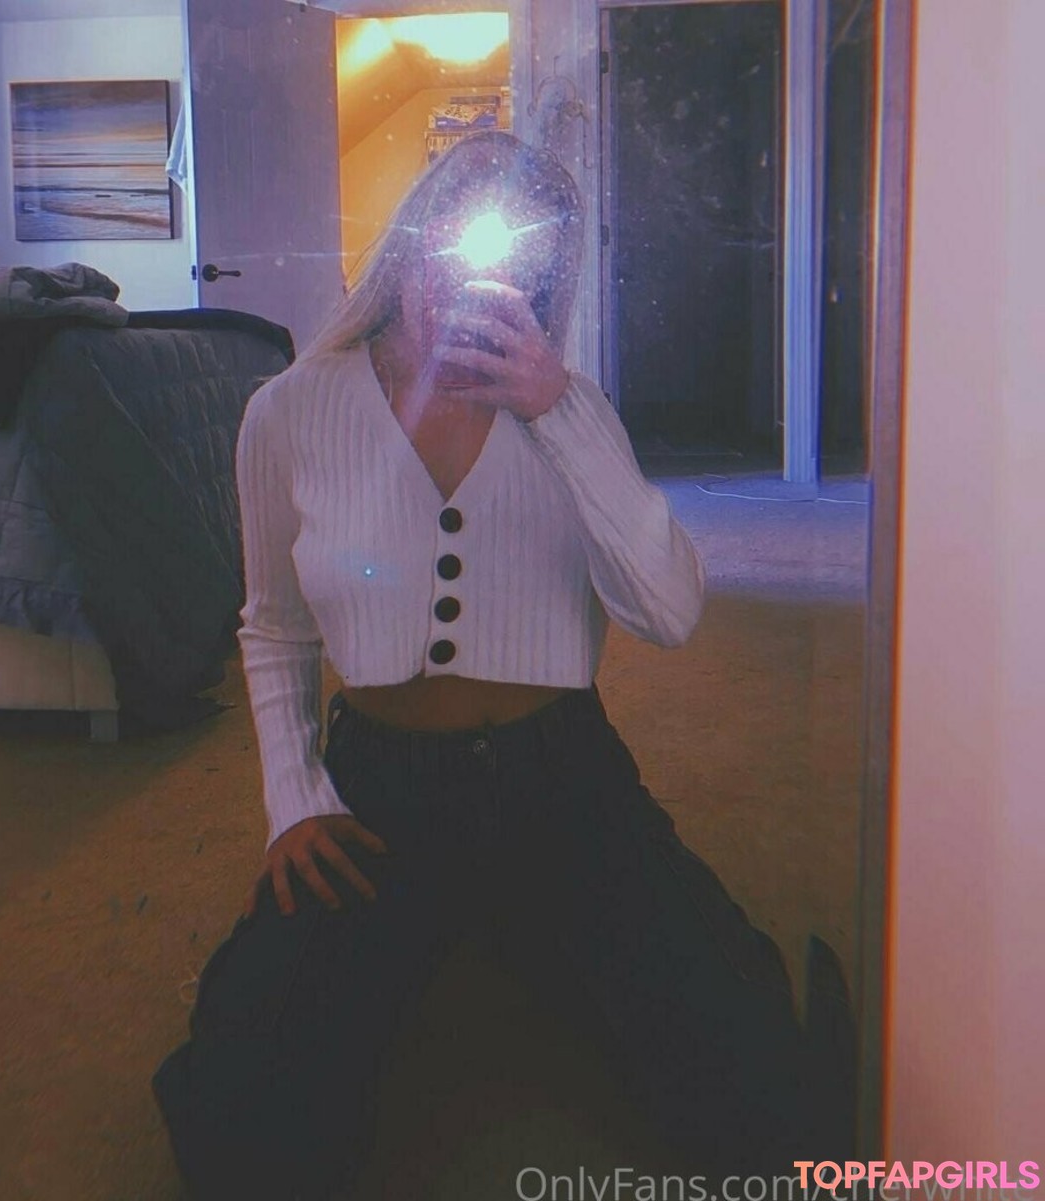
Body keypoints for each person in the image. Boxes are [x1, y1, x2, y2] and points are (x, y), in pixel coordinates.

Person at [153, 132, 835, 1200]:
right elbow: (274, 627)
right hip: (380, 787)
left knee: (753, 1080)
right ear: (408, 242)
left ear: (542, 281)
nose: (468, 273)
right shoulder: (288, 411)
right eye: (454, 235)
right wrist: (294, 799)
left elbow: (668, 613)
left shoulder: (570, 408)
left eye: (520, 254)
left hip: (561, 774)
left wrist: (556, 408)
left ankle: (510, 946)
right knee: (249, 1104)